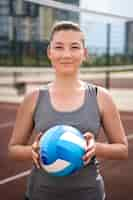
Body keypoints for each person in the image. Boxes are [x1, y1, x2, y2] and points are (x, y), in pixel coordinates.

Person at [8, 21, 128, 200]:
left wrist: (96, 148)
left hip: (88, 195)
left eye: (74, 47)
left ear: (84, 53)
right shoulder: (33, 98)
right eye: (59, 47)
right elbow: (13, 148)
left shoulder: (100, 97)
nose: (66, 54)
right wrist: (32, 151)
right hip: (40, 195)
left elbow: (123, 149)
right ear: (50, 52)